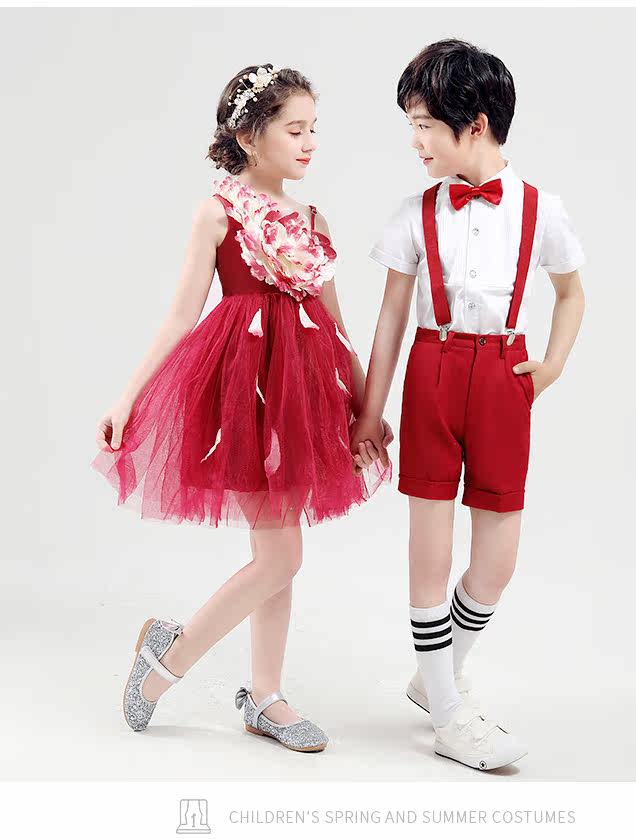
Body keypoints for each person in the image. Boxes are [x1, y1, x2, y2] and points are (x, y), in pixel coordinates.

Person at [91, 63, 392, 751]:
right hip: (244, 390)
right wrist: (127, 396)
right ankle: (166, 660)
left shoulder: (312, 221)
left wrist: (365, 406)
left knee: (276, 551)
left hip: (302, 396)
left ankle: (265, 695)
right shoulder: (218, 213)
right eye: (295, 129)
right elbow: (180, 317)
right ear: (250, 137)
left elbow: (335, 323)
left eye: (314, 129)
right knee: (281, 555)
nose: (310, 142)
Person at [352, 39, 586, 771]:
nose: (414, 141)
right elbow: (391, 319)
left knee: (497, 560)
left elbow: (571, 293)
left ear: (475, 124)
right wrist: (370, 412)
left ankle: (437, 676)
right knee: (430, 545)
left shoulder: (541, 209)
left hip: (504, 376)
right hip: (433, 368)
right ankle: (451, 714)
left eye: (425, 125)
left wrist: (549, 367)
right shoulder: (414, 212)